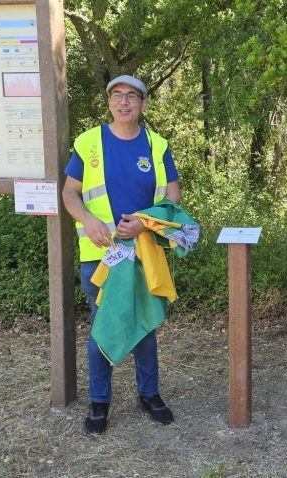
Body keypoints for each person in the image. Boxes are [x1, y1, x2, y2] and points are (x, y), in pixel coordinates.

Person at [61, 74, 181, 434]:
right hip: (100, 253)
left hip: (143, 252)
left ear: (143, 105)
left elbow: (172, 198)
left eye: (132, 96)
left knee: (144, 325)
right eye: (117, 95)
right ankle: (100, 402)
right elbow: (70, 193)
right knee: (104, 324)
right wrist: (88, 219)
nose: (124, 102)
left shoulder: (157, 146)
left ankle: (149, 394)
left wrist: (144, 225)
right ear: (109, 102)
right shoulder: (88, 142)